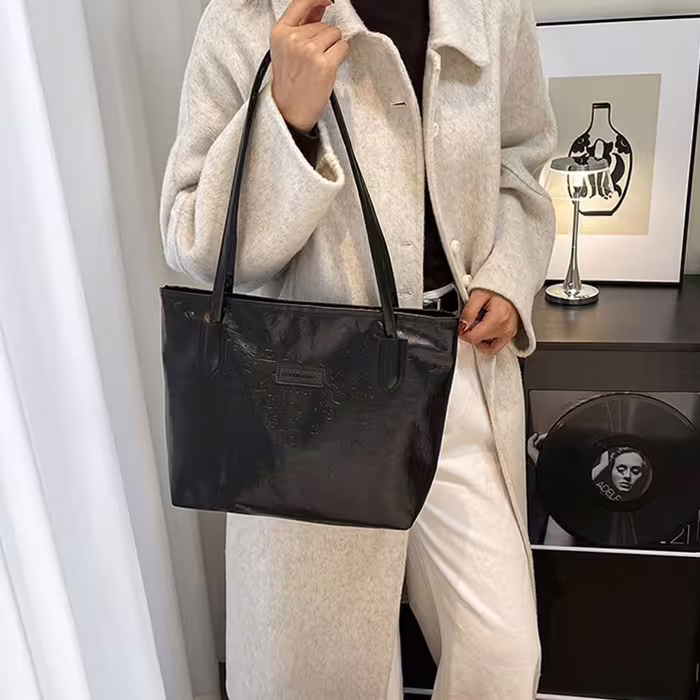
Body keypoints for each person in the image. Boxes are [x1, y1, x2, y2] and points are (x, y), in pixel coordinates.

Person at [160, 0, 556, 697]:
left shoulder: (491, 8)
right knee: (323, 677)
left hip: (459, 365)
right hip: (311, 396)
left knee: (500, 657)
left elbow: (521, 155)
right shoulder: (243, 19)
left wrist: (509, 272)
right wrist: (284, 119)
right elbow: (194, 236)